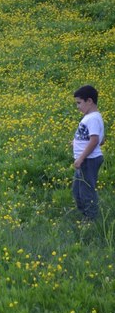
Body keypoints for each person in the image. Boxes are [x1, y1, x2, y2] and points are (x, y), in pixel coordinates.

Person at [72, 85, 105, 220]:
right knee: (77, 191)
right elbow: (101, 140)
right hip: (85, 159)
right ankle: (85, 216)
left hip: (88, 160)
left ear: (89, 101)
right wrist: (77, 141)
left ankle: (91, 220)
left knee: (86, 192)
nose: (78, 107)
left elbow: (95, 140)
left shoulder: (92, 118)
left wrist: (81, 158)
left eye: (79, 103)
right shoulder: (91, 117)